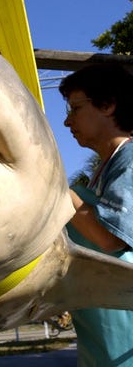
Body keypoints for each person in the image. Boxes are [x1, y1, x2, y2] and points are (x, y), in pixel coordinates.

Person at [59, 63, 133, 366]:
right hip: (102, 333)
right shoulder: (103, 171)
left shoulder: (130, 161)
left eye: (75, 108)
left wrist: (54, 192)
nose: (66, 121)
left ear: (108, 105)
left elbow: (110, 238)